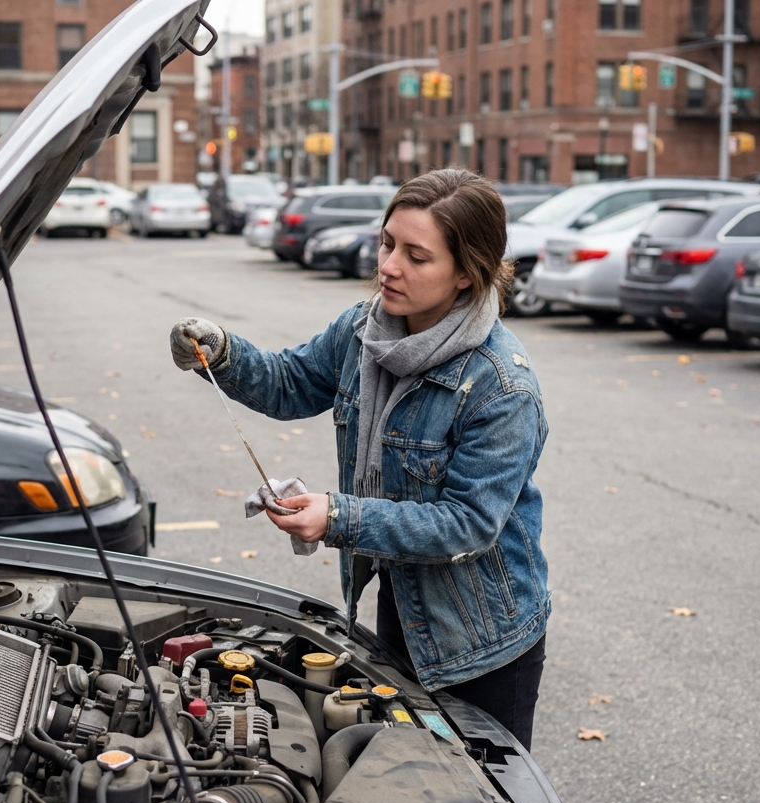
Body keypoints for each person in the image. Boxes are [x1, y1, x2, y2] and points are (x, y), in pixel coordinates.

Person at [169, 169, 549, 749]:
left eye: (417, 256)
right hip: (402, 600)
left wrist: (340, 516)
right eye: (387, 242)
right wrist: (221, 353)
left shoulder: (500, 387)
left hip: (483, 639)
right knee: (404, 775)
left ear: (467, 273)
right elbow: (291, 382)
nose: (389, 265)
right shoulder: (362, 330)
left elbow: (468, 524)